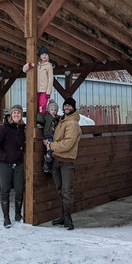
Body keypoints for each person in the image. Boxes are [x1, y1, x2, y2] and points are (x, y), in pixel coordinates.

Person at [42, 97, 81, 230]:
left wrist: (51, 145)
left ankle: (68, 217)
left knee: (67, 191)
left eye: (70, 106)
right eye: (65, 106)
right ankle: (63, 216)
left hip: (66, 162)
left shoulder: (73, 124)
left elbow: (67, 144)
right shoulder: (61, 120)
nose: (67, 108)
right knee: (60, 189)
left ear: (74, 108)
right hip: (56, 160)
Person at [0, 104, 25, 228]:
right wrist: (4, 157)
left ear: (21, 115)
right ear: (11, 115)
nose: (16, 115)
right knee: (5, 189)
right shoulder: (4, 129)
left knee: (19, 189)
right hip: (4, 164)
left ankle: (18, 214)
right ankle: (6, 217)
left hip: (19, 164)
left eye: (19, 113)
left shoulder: (22, 128)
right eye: (14, 113)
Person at [23, 46, 54, 119]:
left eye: (46, 54)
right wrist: (29, 65)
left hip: (44, 90)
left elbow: (50, 79)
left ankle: (40, 120)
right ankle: (34, 120)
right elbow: (24, 69)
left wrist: (48, 92)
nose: (44, 56)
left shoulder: (49, 66)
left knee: (42, 105)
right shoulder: (36, 65)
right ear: (39, 56)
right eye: (42, 54)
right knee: (34, 105)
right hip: (35, 89)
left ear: (48, 56)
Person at [42, 98, 60, 173]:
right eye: (52, 109)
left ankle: (48, 166)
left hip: (53, 136)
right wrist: (40, 112)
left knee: (52, 150)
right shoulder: (47, 116)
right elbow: (41, 120)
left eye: (55, 110)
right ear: (49, 110)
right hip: (47, 135)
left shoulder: (56, 118)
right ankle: (46, 162)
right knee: (51, 148)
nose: (54, 111)